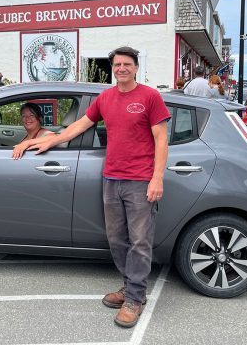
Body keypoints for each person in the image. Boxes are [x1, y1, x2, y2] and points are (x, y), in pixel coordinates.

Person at [13, 46, 170, 328]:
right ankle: (129, 287)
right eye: (117, 64)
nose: (121, 68)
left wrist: (157, 177)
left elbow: (161, 139)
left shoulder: (150, 97)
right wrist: (48, 140)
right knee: (116, 239)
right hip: (111, 178)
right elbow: (80, 125)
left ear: (136, 67)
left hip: (139, 181)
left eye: (127, 64)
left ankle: (134, 298)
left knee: (140, 242)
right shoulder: (105, 98)